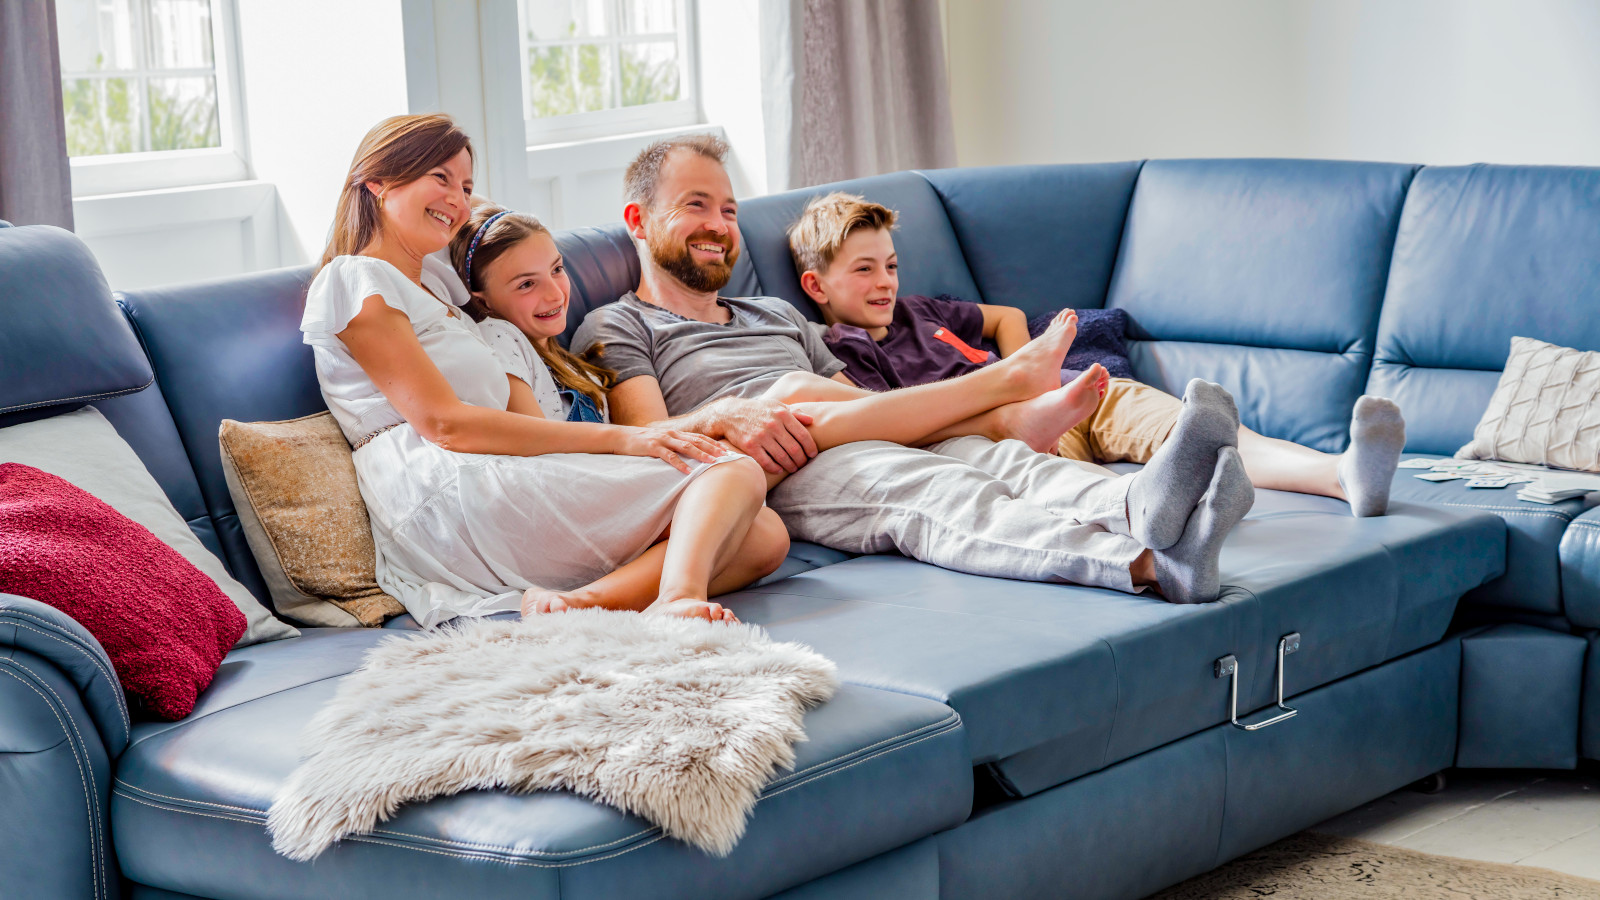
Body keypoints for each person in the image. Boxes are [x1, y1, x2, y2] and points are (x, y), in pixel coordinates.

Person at [573, 133, 1256, 604]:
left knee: (998, 462)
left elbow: (852, 400)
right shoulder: (620, 324)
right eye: (696, 205)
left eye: (727, 209)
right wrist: (728, 415)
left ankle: (1138, 504)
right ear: (638, 218)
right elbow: (649, 444)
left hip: (837, 426)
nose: (720, 225)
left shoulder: (774, 315)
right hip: (763, 466)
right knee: (936, 492)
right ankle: (1144, 564)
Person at [300, 113, 785, 628]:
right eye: (439, 178)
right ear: (377, 182)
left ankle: (579, 606)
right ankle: (675, 600)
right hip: (442, 487)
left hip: (492, 467)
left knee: (763, 536)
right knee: (732, 472)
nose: (457, 201)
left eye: (466, 186)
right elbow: (445, 424)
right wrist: (622, 442)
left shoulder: (440, 289)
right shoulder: (354, 279)